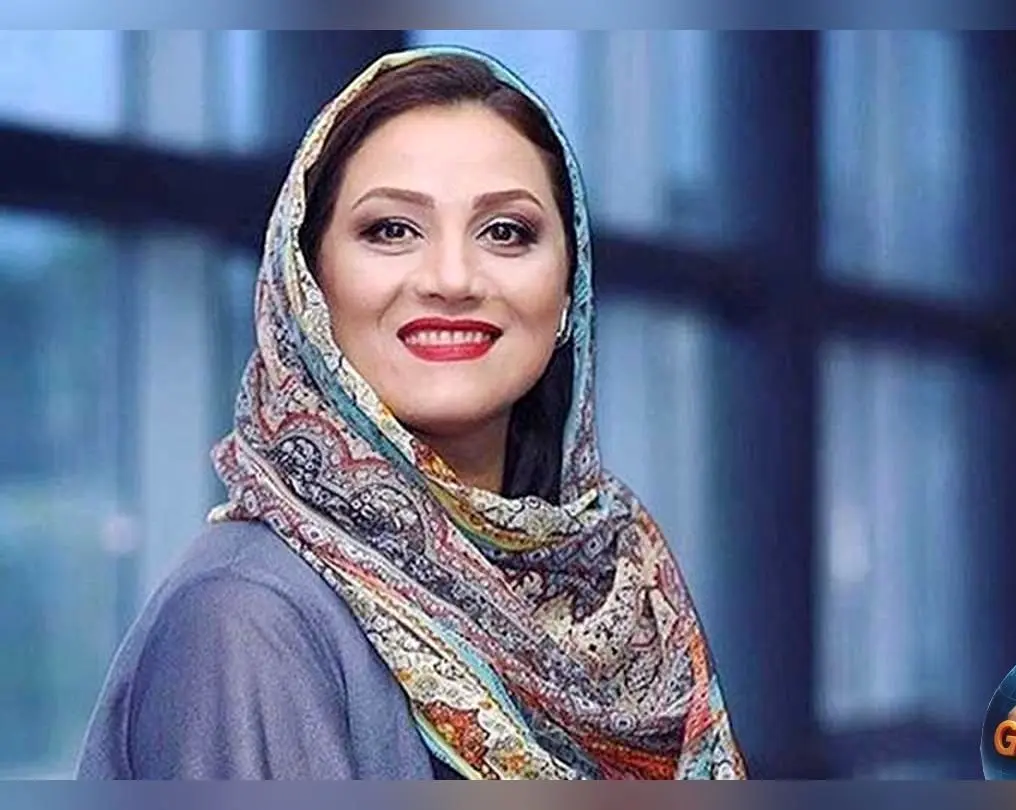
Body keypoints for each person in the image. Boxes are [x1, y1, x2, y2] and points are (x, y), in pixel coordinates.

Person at [75, 45, 745, 780]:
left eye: (506, 232)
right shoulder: (245, 619)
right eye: (391, 230)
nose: (452, 279)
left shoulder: (615, 586)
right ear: (309, 284)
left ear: (566, 294)